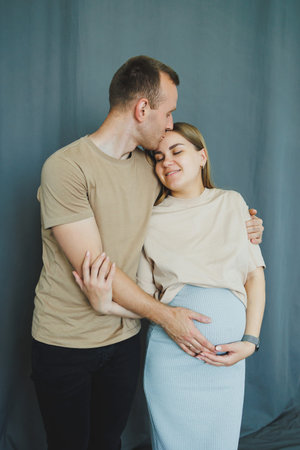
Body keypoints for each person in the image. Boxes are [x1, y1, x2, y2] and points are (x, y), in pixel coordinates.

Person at [32, 55, 264, 450]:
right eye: (168, 112)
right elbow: (94, 263)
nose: (171, 123)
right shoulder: (66, 168)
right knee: (68, 442)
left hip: (124, 337)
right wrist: (167, 317)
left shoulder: (149, 168)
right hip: (66, 339)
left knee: (108, 440)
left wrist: (247, 225)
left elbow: (195, 212)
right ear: (143, 108)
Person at [76, 122, 266, 450]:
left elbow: (254, 276)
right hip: (171, 357)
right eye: (158, 156)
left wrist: (250, 342)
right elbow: (148, 301)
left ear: (202, 156)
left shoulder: (232, 203)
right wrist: (104, 304)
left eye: (177, 151)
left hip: (226, 361)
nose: (167, 161)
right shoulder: (150, 219)